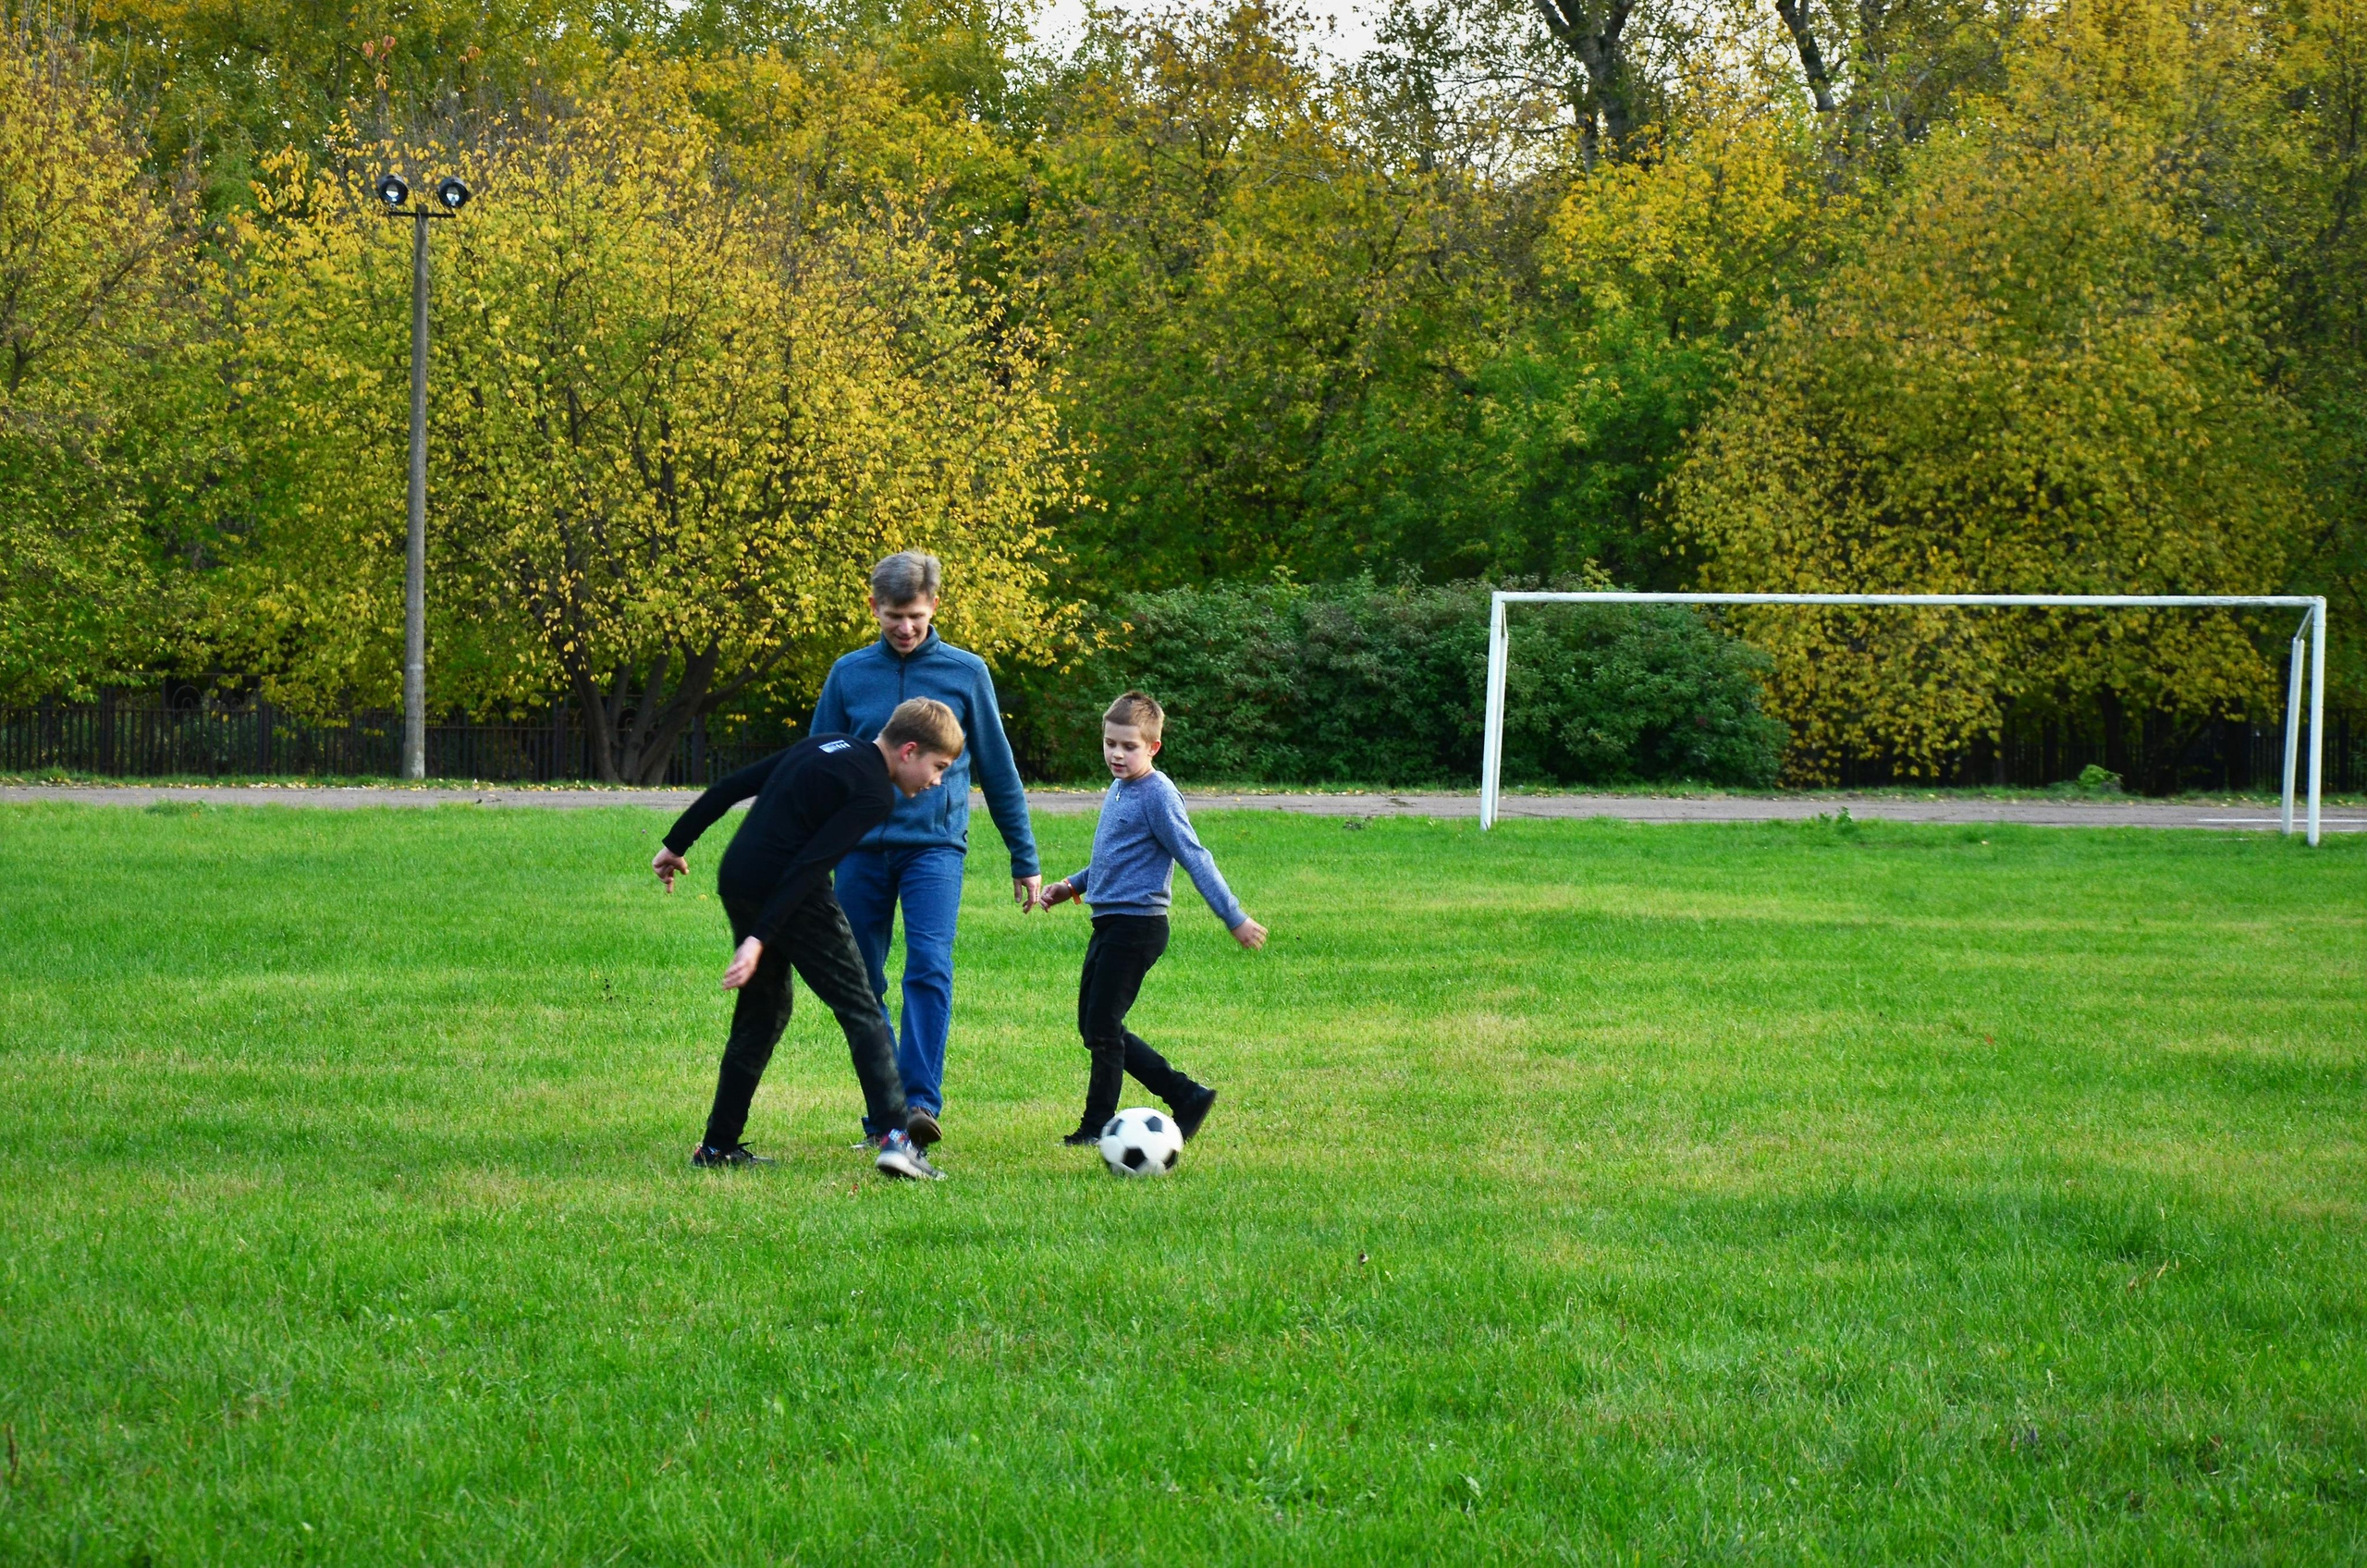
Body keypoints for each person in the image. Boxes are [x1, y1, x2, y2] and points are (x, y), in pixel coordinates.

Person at [652, 697, 968, 1182]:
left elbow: (732, 785)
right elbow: (810, 864)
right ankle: (897, 1139)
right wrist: (759, 938)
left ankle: (717, 1147)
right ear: (909, 750)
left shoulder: (825, 745)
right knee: (861, 1007)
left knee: (764, 1013)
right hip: (789, 889)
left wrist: (676, 844)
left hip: (739, 876)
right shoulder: (873, 792)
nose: (937, 780)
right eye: (939, 766)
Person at [809, 551, 1042, 1150]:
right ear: (873, 608)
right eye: (893, 617)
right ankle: (884, 1115)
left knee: (929, 968)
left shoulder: (967, 674)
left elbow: (998, 768)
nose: (905, 629)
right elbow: (816, 766)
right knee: (861, 983)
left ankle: (919, 1105)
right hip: (858, 850)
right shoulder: (848, 674)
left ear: (934, 605)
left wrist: (1025, 857)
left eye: (914, 615)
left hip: (934, 848)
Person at [1038, 691, 1268, 1146]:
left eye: (1129, 746)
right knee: (1094, 1025)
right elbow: (1112, 860)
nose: (1117, 754)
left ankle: (1098, 1126)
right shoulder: (1120, 789)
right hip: (1110, 922)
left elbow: (1194, 856)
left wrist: (1233, 915)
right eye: (1110, 744)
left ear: (1153, 747)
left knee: (1103, 1028)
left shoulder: (1158, 795)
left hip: (1138, 926)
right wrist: (1072, 886)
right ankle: (1187, 1095)